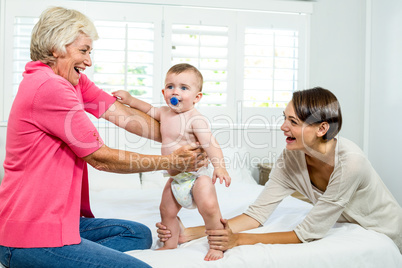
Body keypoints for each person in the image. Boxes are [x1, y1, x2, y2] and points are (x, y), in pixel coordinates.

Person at [0, 7, 208, 268]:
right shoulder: (49, 87)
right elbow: (100, 158)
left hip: (61, 221)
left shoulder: (73, 82)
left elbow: (120, 114)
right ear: (56, 48)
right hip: (29, 233)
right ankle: (31, 258)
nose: (88, 61)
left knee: (138, 234)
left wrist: (183, 136)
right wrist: (171, 161)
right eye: (84, 51)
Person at [156, 87, 402, 254]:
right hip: (350, 225)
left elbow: (308, 232)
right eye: (284, 117)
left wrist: (238, 240)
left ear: (321, 128)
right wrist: (188, 233)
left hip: (386, 233)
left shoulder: (351, 163)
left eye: (293, 122)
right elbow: (257, 215)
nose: (283, 127)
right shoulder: (291, 157)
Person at [112, 63, 231, 261]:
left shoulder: (196, 119)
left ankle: (217, 245)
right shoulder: (164, 113)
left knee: (209, 209)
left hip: (197, 177)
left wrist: (220, 166)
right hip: (175, 179)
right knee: (166, 210)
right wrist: (130, 100)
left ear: (197, 97)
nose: (175, 92)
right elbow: (148, 109)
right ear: (164, 91)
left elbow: (210, 144)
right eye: (170, 86)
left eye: (184, 88)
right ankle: (170, 244)